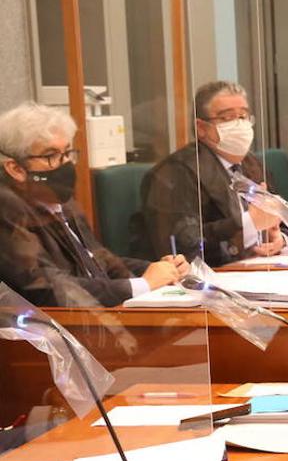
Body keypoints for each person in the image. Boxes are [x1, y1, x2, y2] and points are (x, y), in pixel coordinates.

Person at [0, 102, 187, 307]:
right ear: (15, 168)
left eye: (67, 153)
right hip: (54, 331)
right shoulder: (7, 209)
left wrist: (160, 268)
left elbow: (99, 260)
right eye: (51, 155)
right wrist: (142, 284)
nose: (64, 164)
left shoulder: (59, 200)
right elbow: (47, 289)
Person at [136, 81, 287, 266]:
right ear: (201, 128)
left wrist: (279, 239)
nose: (239, 124)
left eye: (243, 116)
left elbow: (286, 220)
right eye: (227, 118)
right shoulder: (175, 174)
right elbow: (184, 247)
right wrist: (248, 224)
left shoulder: (250, 163)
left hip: (255, 269)